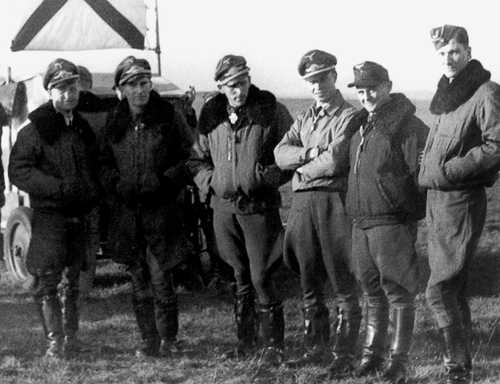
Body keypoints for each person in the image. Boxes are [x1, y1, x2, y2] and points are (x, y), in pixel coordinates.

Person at [189, 54, 293, 365]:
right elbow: (196, 159)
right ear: (220, 86)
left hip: (258, 207)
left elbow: (289, 153)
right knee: (238, 275)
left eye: (243, 82)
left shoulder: (270, 110)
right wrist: (213, 182)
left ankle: (273, 345)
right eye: (232, 85)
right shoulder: (210, 115)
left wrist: (266, 176)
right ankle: (245, 342)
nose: (239, 90)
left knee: (262, 275)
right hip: (224, 209)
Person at [418, 25, 500, 383]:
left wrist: (449, 172)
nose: (447, 60)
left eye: (453, 51)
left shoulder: (486, 92)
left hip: (461, 199)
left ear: (468, 50)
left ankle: (456, 366)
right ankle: (463, 363)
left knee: (438, 289)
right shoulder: (448, 94)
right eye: (441, 54)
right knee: (454, 287)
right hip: (437, 200)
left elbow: (496, 146)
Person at [99, 56, 194, 357]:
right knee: (138, 279)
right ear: (121, 90)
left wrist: (164, 181)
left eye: (144, 83)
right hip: (128, 214)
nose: (140, 90)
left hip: (161, 211)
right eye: (132, 85)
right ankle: (147, 340)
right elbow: (102, 164)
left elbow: (188, 159)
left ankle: (169, 339)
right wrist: (116, 184)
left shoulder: (168, 115)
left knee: (160, 277)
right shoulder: (113, 122)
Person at [274, 50, 361, 376]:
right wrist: (311, 154)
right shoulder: (305, 118)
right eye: (311, 80)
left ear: (334, 77)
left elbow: (337, 159)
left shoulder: (349, 116)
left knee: (341, 276)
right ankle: (315, 348)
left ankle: (344, 352)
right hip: (303, 206)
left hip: (333, 203)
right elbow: (280, 153)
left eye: (322, 78)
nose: (317, 86)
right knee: (308, 275)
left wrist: (301, 170)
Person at [8, 58, 100, 358]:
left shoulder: (83, 128)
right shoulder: (35, 129)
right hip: (50, 217)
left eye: (72, 87)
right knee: (47, 280)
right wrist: (55, 188)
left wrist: (91, 191)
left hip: (80, 216)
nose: (68, 94)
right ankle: (54, 344)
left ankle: (71, 339)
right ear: (49, 91)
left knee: (73, 280)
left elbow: (95, 166)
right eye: (60, 88)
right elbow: (19, 170)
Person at [345, 61, 428, 383]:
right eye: (361, 90)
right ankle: (371, 354)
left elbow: (419, 175)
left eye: (373, 88)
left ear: (388, 86)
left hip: (391, 220)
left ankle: (398, 359)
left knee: (398, 291)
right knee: (370, 289)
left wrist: (403, 209)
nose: (366, 95)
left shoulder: (407, 125)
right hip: (361, 220)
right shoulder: (363, 123)